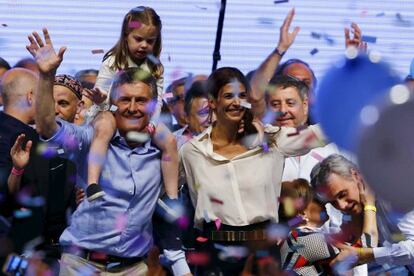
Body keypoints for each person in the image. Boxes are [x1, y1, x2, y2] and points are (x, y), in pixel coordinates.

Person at [26, 28, 190, 275]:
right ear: (114, 102)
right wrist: (46, 76)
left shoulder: (164, 148)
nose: (132, 108)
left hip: (134, 267)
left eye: (141, 101)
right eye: (125, 100)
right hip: (82, 264)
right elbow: (48, 127)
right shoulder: (92, 139)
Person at [180, 67, 328, 275]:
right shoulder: (192, 151)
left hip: (262, 252)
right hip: (213, 252)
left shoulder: (273, 140)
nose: (236, 102)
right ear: (212, 102)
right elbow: (163, 196)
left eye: (242, 95)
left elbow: (321, 133)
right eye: (228, 96)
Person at [83, 6, 179, 203]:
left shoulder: (156, 68)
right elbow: (102, 94)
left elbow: (157, 100)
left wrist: (151, 124)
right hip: (110, 111)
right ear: (126, 35)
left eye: (150, 41)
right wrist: (101, 101)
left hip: (140, 116)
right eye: (138, 39)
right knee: (104, 128)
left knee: (169, 140)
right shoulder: (113, 61)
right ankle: (92, 183)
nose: (144, 45)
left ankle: (172, 196)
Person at [279, 178, 377, 275]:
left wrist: (350, 207)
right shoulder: (301, 240)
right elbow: (366, 248)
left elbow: (353, 239)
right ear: (302, 212)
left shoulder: (296, 238)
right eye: (316, 200)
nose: (324, 203)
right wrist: (369, 203)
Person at [174, 80, 210, 149]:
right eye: (204, 113)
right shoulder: (172, 144)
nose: (212, 118)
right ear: (187, 117)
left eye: (215, 111)